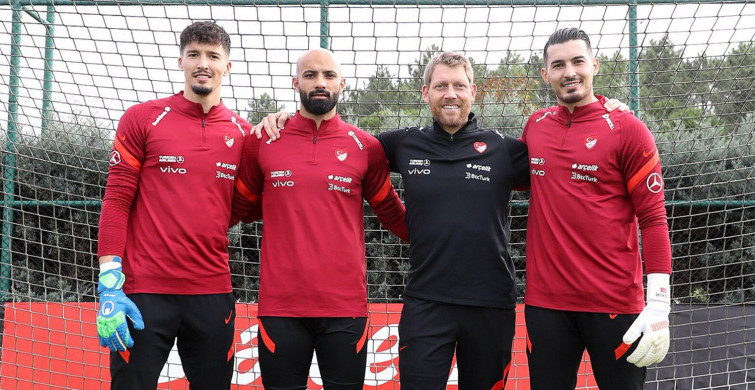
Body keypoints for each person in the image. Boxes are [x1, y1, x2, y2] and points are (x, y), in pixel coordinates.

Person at [255, 52, 628, 389]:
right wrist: (285, 119)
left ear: (473, 92)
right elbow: (336, 144)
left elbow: (567, 158)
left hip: (491, 305)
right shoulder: (399, 144)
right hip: (425, 303)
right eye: (441, 86)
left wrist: (602, 111)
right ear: (425, 92)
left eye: (459, 86)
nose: (450, 93)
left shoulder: (505, 149)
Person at [230, 48, 408, 390]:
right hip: (280, 308)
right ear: (297, 82)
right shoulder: (263, 141)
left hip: (345, 308)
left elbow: (391, 213)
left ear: (342, 83)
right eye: (310, 75)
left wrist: (442, 242)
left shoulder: (366, 146)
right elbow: (238, 208)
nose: (320, 83)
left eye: (328, 76)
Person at [96, 21, 252, 389]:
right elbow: (117, 201)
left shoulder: (244, 134)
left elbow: (245, 207)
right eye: (194, 54)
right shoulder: (143, 118)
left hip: (213, 294)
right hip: (143, 292)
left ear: (227, 66)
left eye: (213, 56)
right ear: (180, 61)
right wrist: (109, 282)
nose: (203, 63)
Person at [521, 27, 673, 390]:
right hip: (546, 307)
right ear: (546, 74)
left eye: (578, 61)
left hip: (615, 306)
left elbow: (653, 220)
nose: (569, 72)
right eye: (558, 65)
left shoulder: (628, 129)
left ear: (595, 65)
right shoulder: (536, 126)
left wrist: (659, 305)